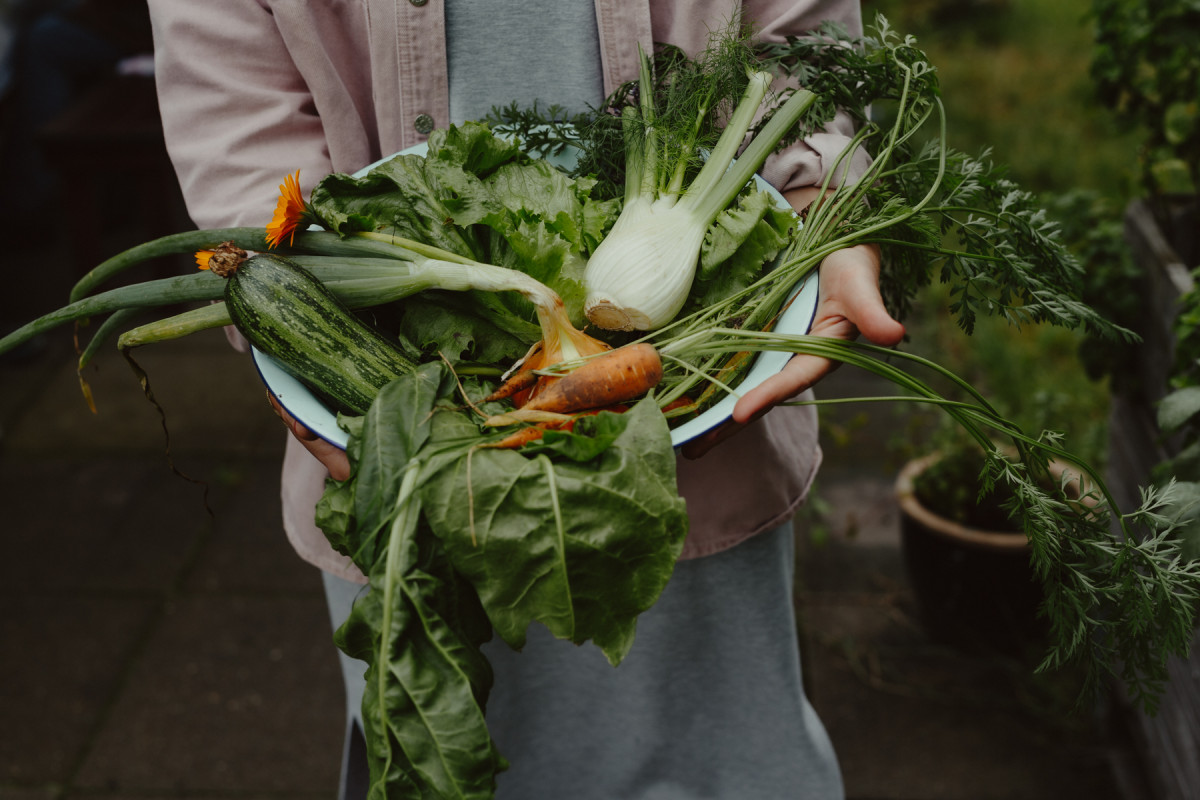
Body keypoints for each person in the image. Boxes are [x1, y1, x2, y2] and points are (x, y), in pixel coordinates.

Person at [147, 2, 904, 797]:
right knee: (446, 722)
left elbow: (804, 57)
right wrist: (305, 343)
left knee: (712, 744)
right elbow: (236, 115)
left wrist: (825, 212)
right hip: (405, 398)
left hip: (704, 414)